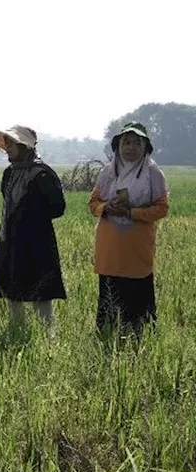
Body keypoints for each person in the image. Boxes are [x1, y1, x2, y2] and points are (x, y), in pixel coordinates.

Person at [90, 122, 169, 336]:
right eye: (126, 142)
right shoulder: (108, 172)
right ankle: (107, 335)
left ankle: (139, 337)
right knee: (109, 294)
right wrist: (107, 207)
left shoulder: (153, 173)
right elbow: (93, 204)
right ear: (118, 146)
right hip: (109, 249)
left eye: (137, 143)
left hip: (137, 248)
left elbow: (162, 208)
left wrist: (131, 213)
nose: (131, 147)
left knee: (137, 295)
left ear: (145, 147)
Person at [0, 125, 66, 331]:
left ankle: (47, 337)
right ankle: (17, 331)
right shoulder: (9, 174)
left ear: (24, 146)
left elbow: (57, 208)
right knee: (13, 291)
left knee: (42, 293)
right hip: (12, 240)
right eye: (7, 142)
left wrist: (33, 216)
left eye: (12, 142)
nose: (8, 147)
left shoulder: (43, 174)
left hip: (37, 242)